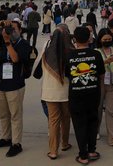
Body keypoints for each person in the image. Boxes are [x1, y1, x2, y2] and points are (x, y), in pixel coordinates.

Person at [0, 20, 31, 157]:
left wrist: (7, 42)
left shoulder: (24, 45)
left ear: (20, 31)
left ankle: (16, 143)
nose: (11, 32)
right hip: (0, 83)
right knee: (3, 114)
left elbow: (15, 59)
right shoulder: (3, 38)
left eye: (14, 29)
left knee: (15, 115)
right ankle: (6, 138)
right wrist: (0, 24)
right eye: (9, 29)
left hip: (15, 85)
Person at [65, 26, 105, 164]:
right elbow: (101, 75)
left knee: (79, 124)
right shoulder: (96, 54)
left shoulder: (69, 56)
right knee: (93, 122)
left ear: (75, 39)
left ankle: (83, 155)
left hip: (76, 95)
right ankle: (92, 150)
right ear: (89, 38)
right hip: (93, 94)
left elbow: (67, 75)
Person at [40, 25, 73, 159]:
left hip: (49, 92)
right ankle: (64, 143)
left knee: (53, 121)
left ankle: (53, 151)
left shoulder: (46, 47)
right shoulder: (71, 49)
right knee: (66, 118)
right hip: (66, 92)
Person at [96, 28, 113, 147]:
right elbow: (94, 67)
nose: (107, 41)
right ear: (100, 40)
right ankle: (95, 130)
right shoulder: (96, 52)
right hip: (100, 83)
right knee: (97, 109)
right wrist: (105, 62)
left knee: (111, 110)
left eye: (109, 39)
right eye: (105, 39)